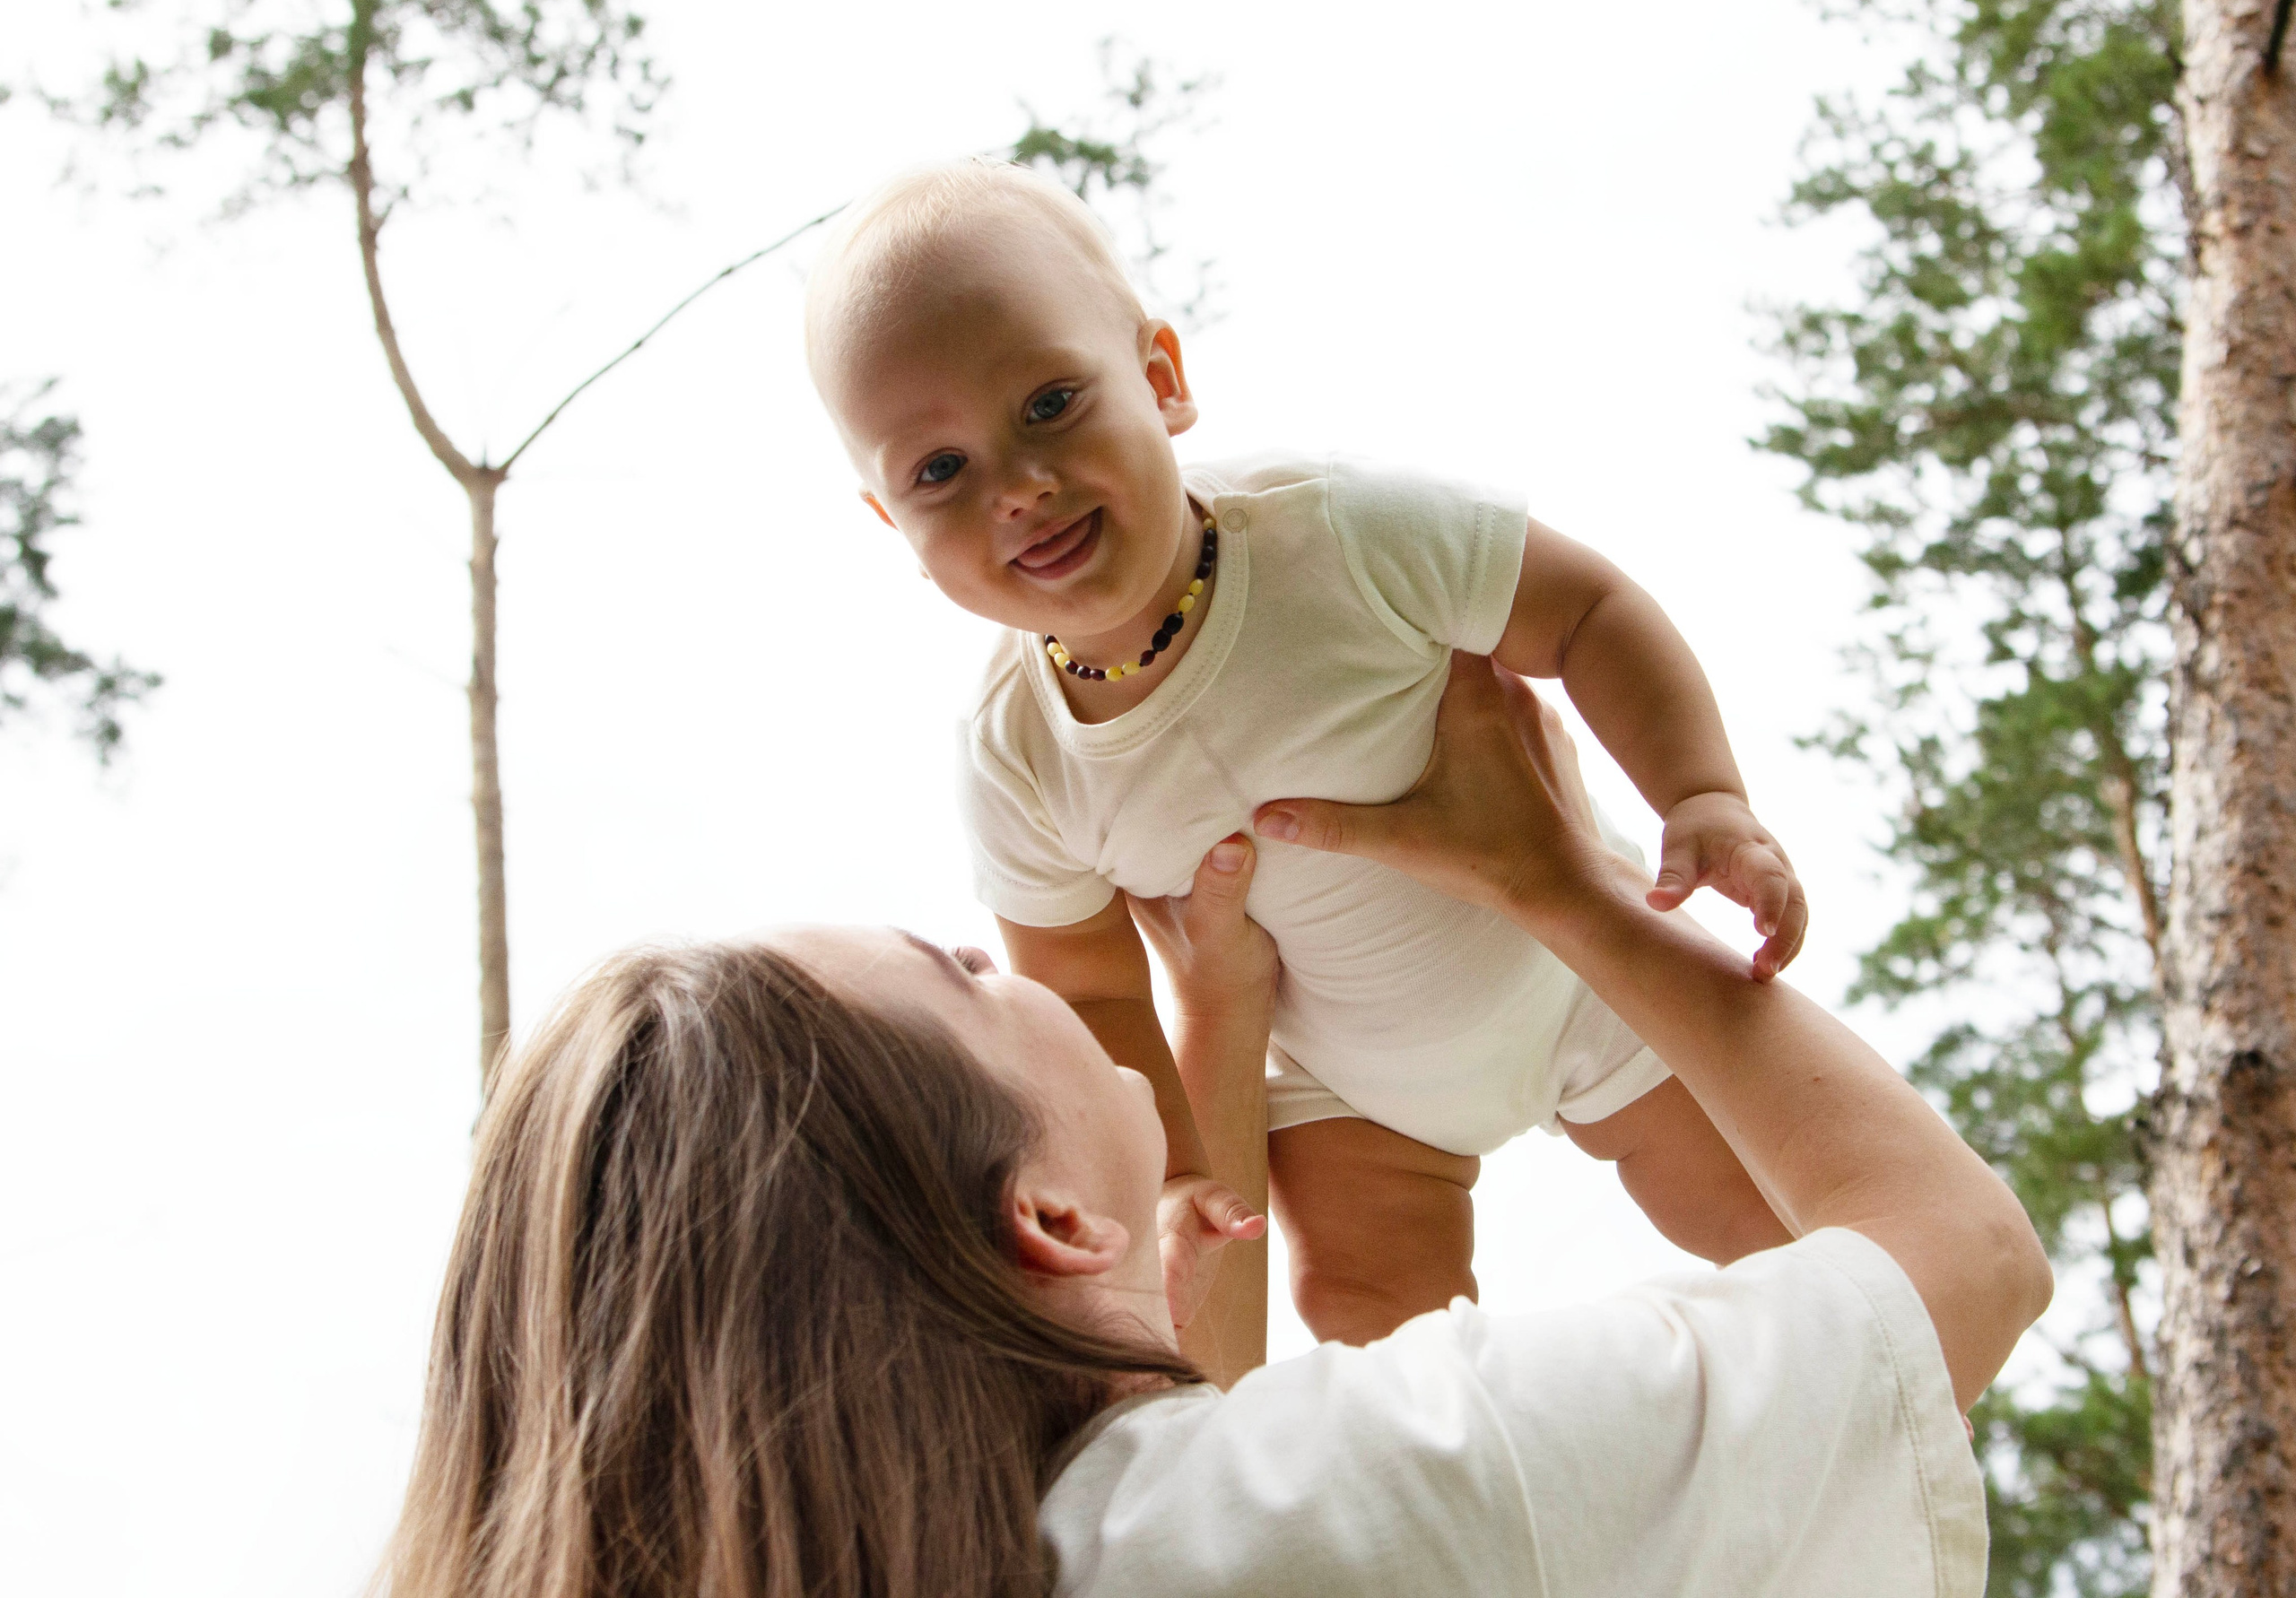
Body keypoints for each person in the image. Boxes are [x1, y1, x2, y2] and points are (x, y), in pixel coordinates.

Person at [380, 654, 2052, 1598]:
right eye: (964, 969)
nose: (1017, 955)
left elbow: (1205, 1452)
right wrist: (1569, 888)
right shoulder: (1393, 1491)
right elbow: (1960, 1265)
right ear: (1047, 1220)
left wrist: (1226, 1050)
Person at [804, 159, 1810, 1368]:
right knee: (1370, 1327)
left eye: (1051, 404)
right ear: (888, 526)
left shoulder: (1338, 534)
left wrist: (1702, 795)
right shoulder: (1016, 757)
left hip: (1578, 979)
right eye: (939, 471)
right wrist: (1175, 1167)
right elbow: (1094, 990)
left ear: (1163, 380)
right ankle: (1464, 1528)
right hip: (1349, 1086)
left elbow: (1588, 611)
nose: (1019, 485)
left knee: (1780, 1229)